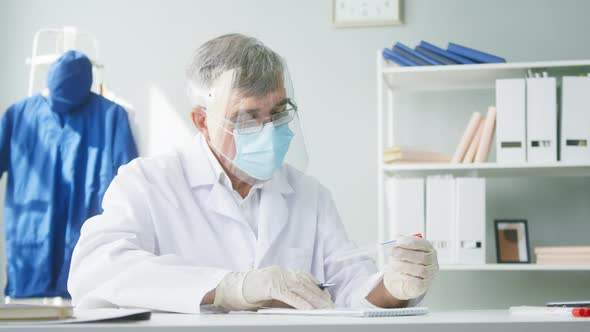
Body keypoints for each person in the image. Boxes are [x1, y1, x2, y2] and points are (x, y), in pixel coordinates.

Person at [67, 34, 438, 313]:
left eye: (278, 112)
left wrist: (394, 286)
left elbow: (350, 288)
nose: (270, 130)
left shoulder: (310, 194)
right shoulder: (148, 183)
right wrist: (228, 287)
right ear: (202, 121)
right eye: (248, 117)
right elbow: (93, 272)